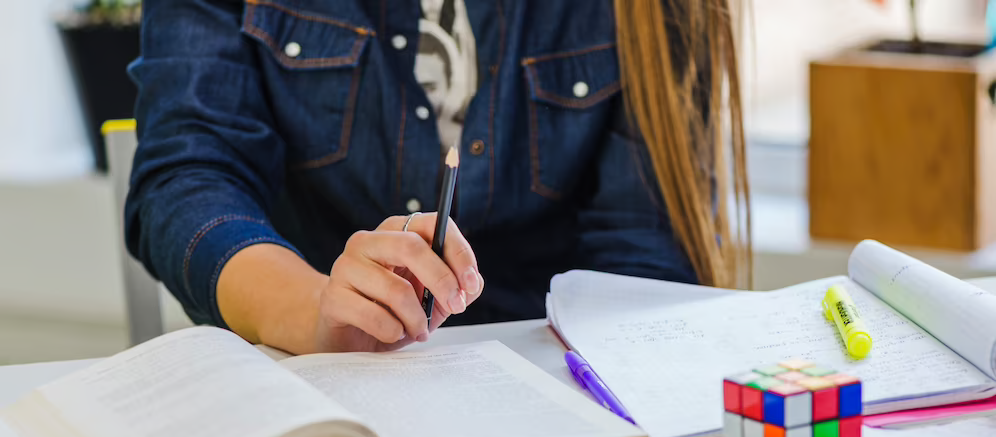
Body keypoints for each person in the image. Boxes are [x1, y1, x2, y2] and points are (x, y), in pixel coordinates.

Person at [125, 0, 750, 356]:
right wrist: (311, 310)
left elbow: (642, 255)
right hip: (316, 387)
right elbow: (185, 177)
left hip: (561, 387)